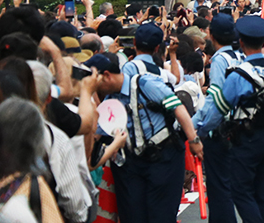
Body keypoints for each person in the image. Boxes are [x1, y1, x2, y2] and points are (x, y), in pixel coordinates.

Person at [86, 42, 203, 223]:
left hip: (164, 157)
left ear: (106, 76)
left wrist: (194, 140)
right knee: (132, 215)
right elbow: (97, 134)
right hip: (132, 162)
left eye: (94, 82)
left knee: (160, 214)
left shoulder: (145, 83)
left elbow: (178, 108)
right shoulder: (110, 100)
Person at [195, 15, 264, 223]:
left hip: (245, 139)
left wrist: (201, 133)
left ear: (241, 42)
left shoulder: (238, 75)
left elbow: (218, 111)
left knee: (240, 191)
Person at [190, 14, 241, 223]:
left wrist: (197, 130)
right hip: (239, 127)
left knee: (219, 189)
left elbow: (216, 100)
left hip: (221, 130)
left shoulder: (220, 59)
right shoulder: (239, 56)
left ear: (211, 34)